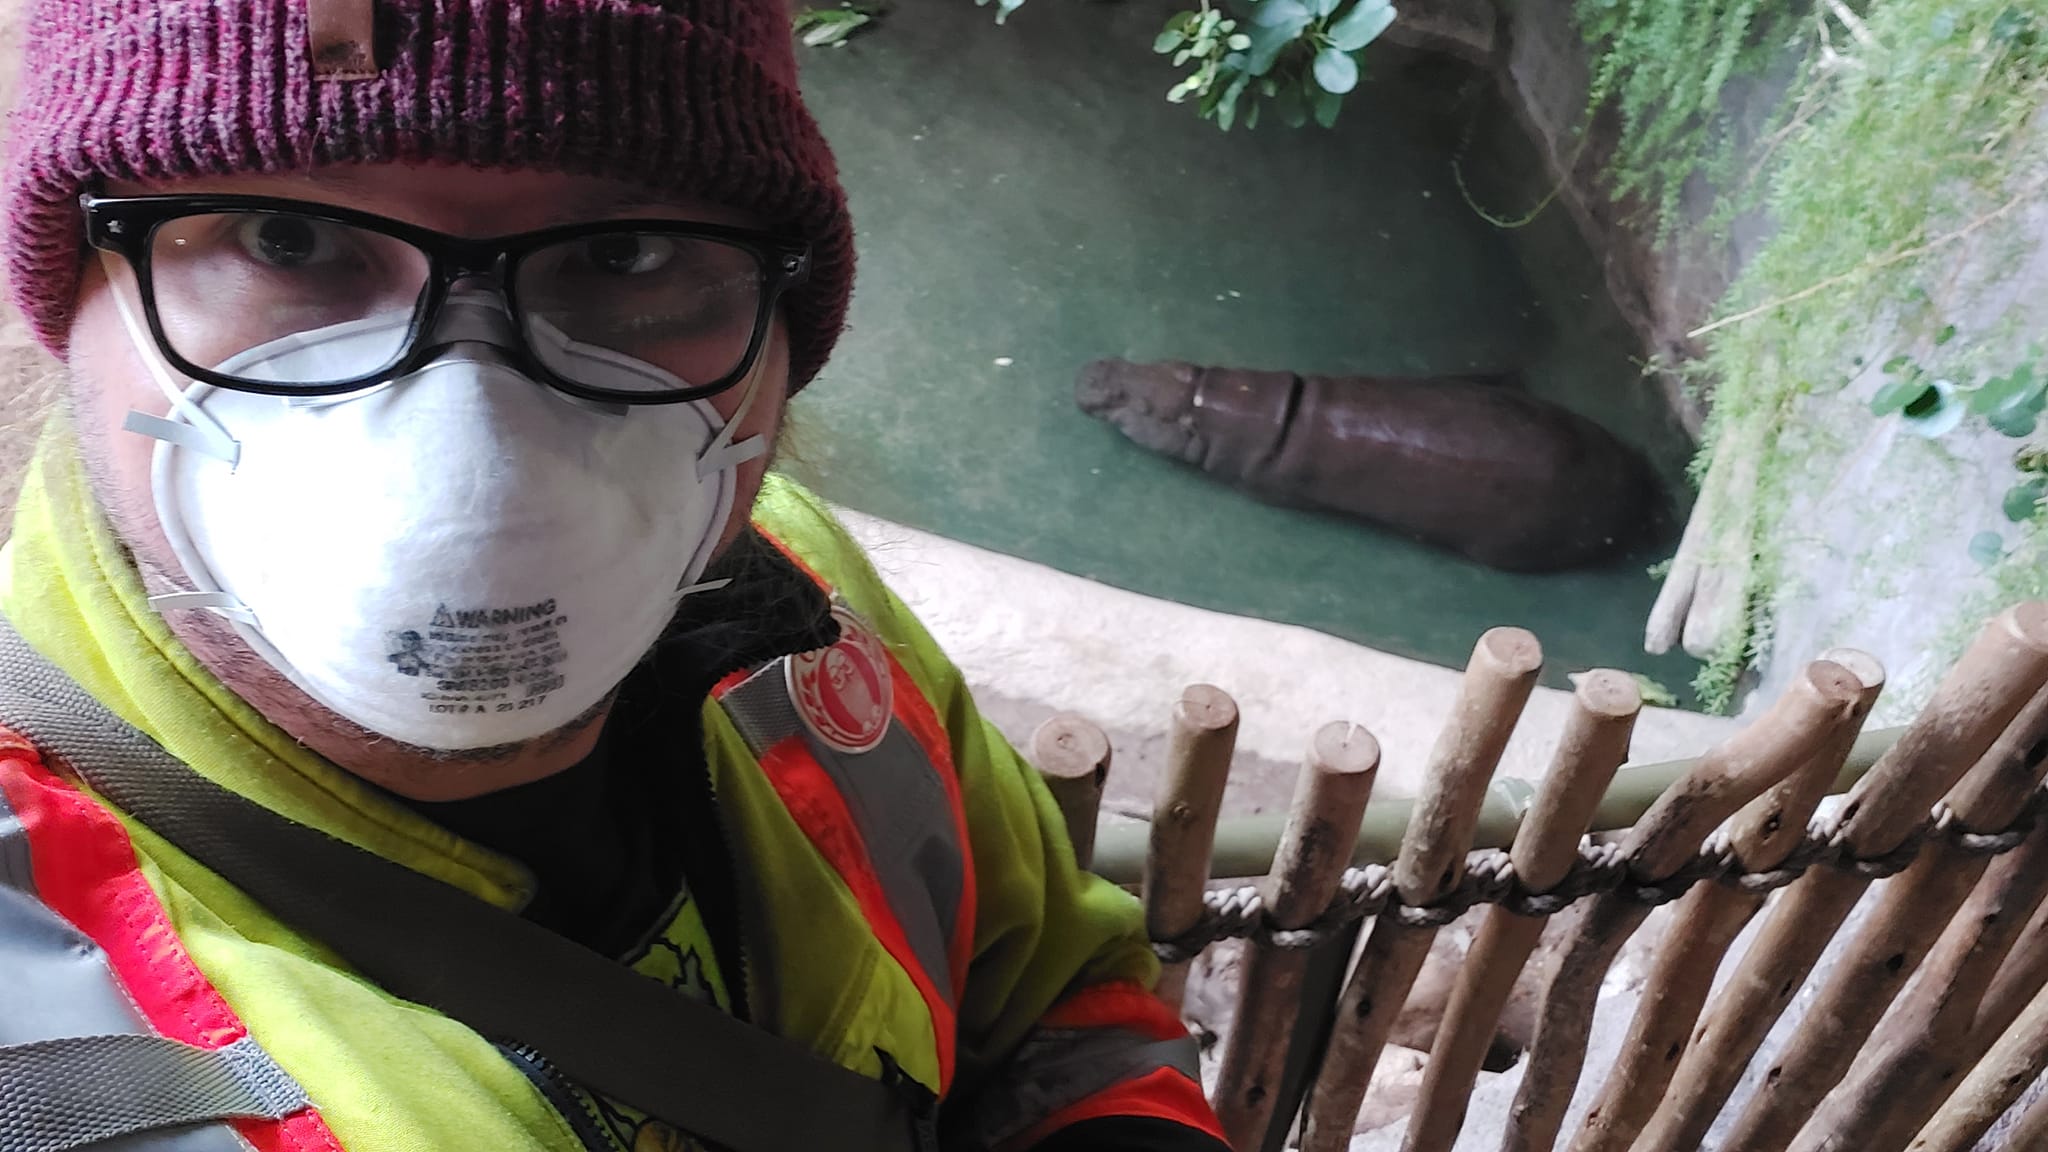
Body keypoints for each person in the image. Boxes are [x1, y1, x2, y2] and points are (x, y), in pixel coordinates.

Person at [0, 1, 1229, 1150]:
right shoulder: (48, 1042)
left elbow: (1051, 1001)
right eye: (290, 239)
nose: (473, 449)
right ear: (72, 293)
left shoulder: (795, 592)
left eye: (626, 255)